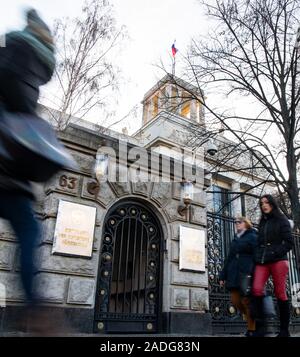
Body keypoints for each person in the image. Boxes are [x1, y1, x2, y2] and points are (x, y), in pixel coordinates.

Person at [0, 9, 55, 331]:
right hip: (8, 161)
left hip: (10, 170)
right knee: (30, 231)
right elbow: (15, 89)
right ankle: (34, 307)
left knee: (30, 230)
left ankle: (34, 306)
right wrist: (30, 123)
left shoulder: (16, 47)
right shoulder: (25, 49)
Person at [251, 194, 294, 337]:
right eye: (262, 203)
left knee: (280, 293)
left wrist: (275, 252)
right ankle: (260, 328)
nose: (264, 205)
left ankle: (284, 330)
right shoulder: (262, 222)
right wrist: (257, 255)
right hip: (262, 261)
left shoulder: (282, 220)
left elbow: (289, 242)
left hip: (278, 260)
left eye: (267, 202)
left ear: (272, 204)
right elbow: (258, 242)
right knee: (256, 289)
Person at [219, 216, 257, 337]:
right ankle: (253, 321)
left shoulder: (253, 236)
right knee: (235, 301)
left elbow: (257, 255)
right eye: (235, 222)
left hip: (247, 273)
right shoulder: (235, 239)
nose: (236, 224)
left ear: (246, 224)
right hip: (234, 274)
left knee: (246, 301)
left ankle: (252, 329)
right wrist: (222, 276)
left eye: (239, 222)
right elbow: (229, 258)